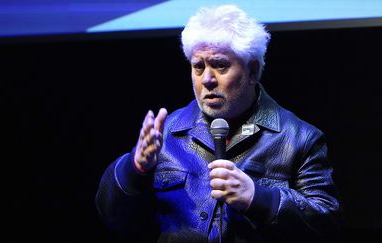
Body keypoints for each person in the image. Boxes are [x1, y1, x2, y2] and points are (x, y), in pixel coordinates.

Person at [95, 4, 341, 243]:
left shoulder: (298, 138)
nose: (207, 79)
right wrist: (135, 168)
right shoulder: (167, 132)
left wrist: (258, 199)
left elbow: (326, 226)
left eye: (220, 65)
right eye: (198, 67)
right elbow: (113, 219)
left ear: (252, 71)